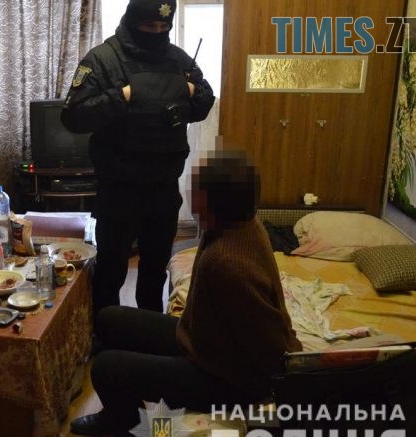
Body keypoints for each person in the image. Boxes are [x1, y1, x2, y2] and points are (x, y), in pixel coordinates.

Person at [69, 150, 303, 436]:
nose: (190, 197)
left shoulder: (228, 264)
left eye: (196, 191)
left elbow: (271, 348)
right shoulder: (240, 223)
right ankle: (130, 403)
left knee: (106, 367)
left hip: (226, 379)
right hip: (205, 341)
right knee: (108, 319)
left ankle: (123, 423)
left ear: (213, 203)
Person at [61, 0, 215, 315]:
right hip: (119, 189)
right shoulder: (103, 59)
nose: (157, 32)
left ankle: (149, 331)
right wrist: (124, 96)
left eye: (163, 26)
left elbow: (203, 103)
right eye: (149, 26)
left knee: (155, 273)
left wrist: (188, 91)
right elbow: (73, 116)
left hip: (163, 187)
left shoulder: (178, 60)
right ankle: (105, 334)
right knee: (110, 272)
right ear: (133, 22)